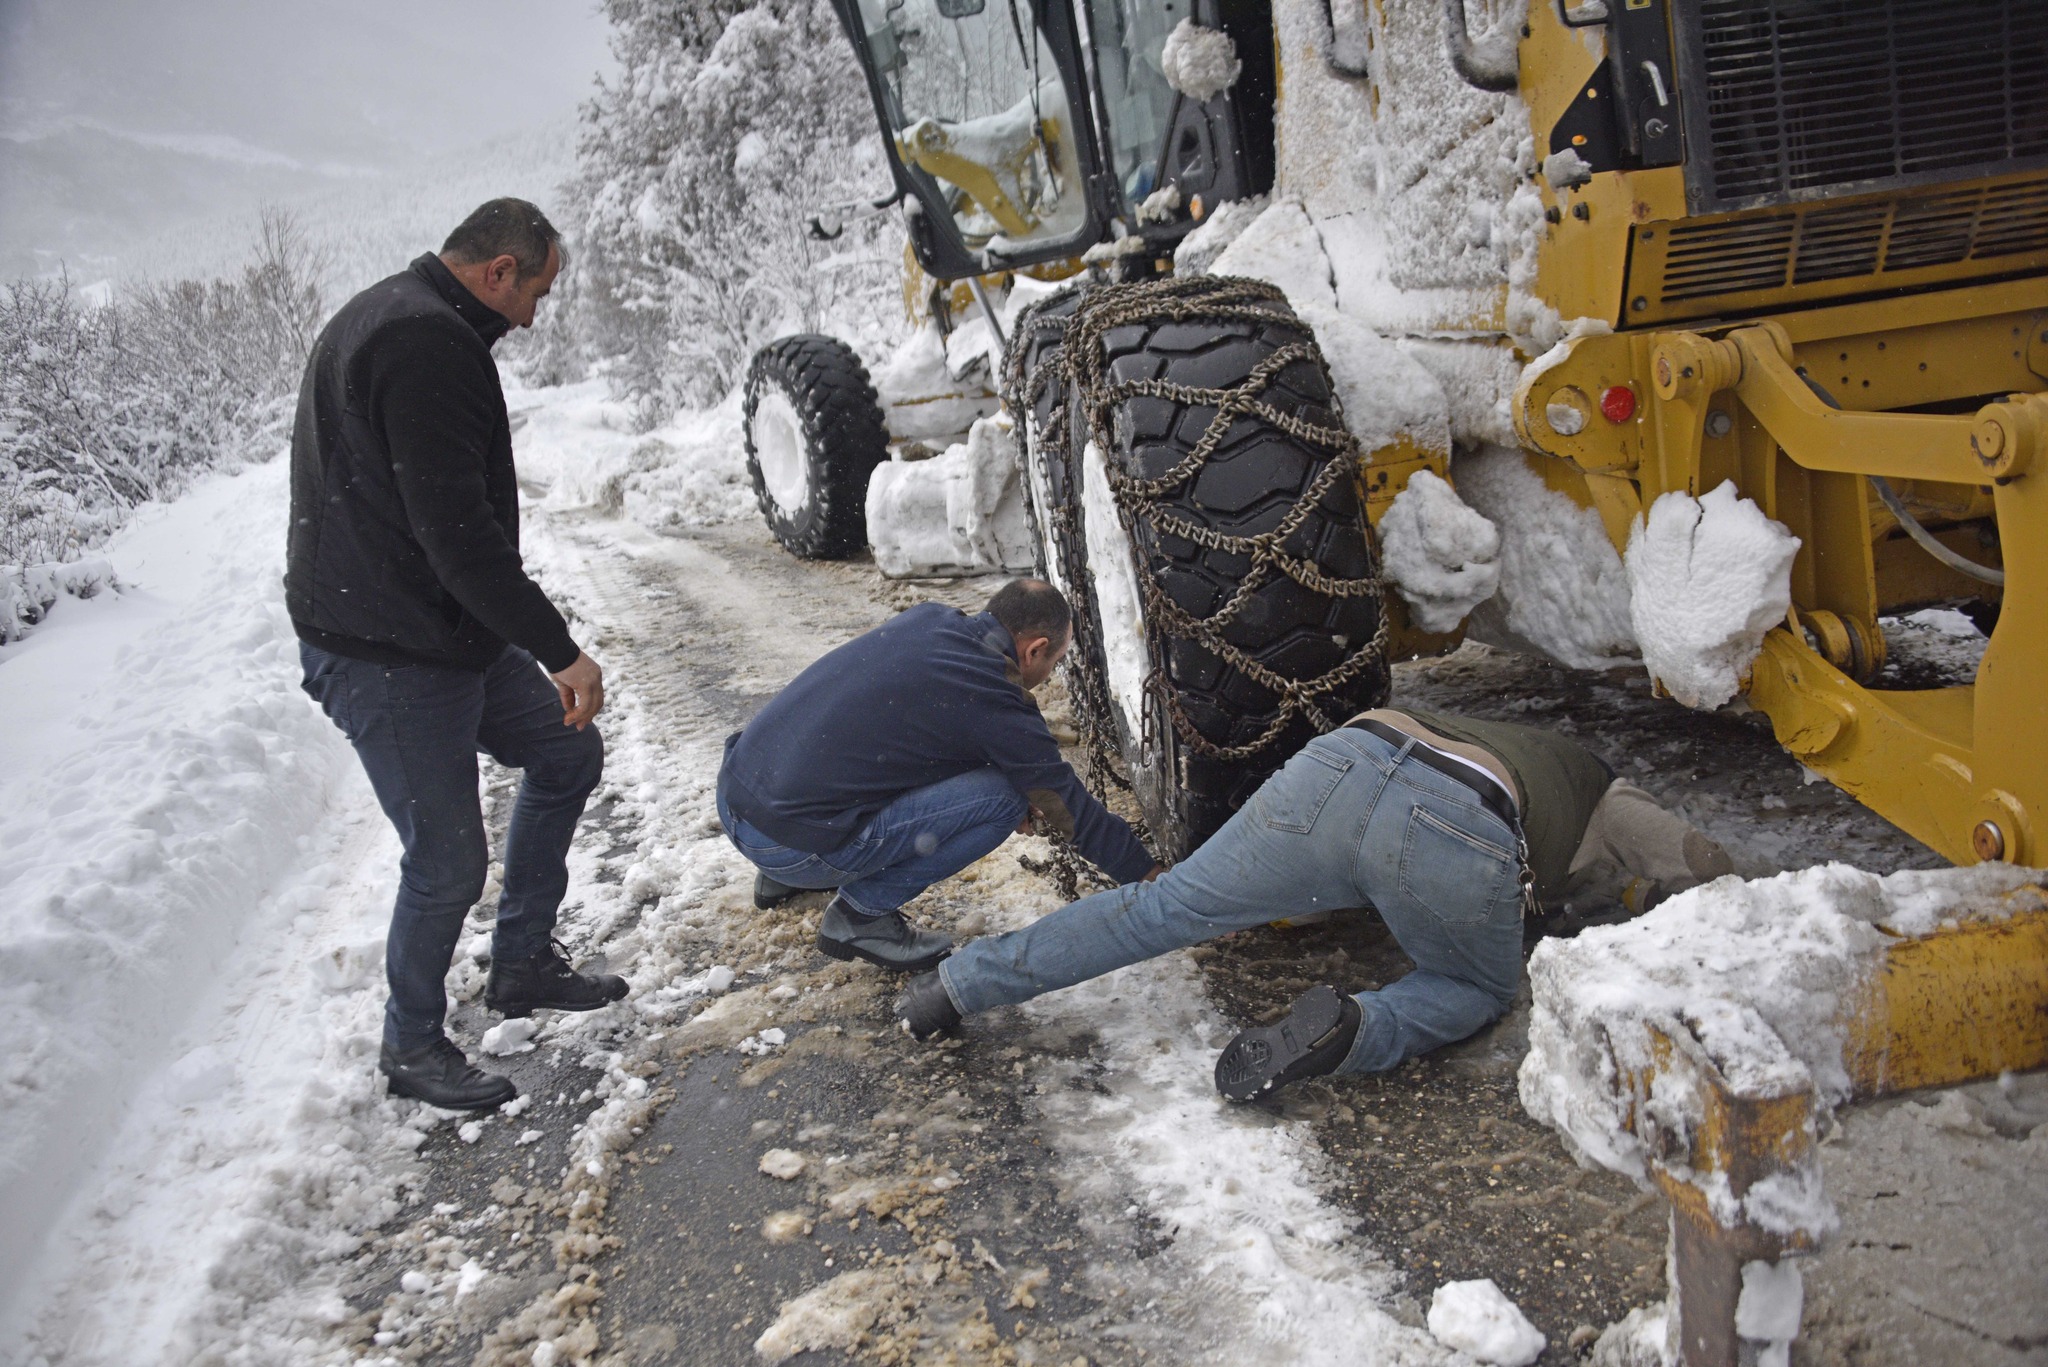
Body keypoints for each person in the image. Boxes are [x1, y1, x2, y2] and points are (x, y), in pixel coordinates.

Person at [897, 707, 1733, 1099]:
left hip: (1346, 760)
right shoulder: (1606, 790)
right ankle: (1351, 1032)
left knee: (1169, 907)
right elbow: (1708, 866)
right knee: (1477, 987)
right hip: (1457, 828)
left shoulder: (1523, 736)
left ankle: (958, 984)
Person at [288, 198, 626, 1112]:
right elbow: (459, 538)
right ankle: (410, 1046)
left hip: (436, 629)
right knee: (445, 859)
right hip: (386, 650)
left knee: (566, 749)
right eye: (539, 290)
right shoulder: (422, 343)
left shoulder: (407, 317)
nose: (537, 311)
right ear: (498, 272)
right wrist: (560, 649)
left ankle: (518, 964)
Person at [718, 580, 1160, 972]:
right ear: (1034, 650)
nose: (1049, 675)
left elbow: (932, 734)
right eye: (1056, 661)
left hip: (739, 795)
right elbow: (1067, 807)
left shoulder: (931, 621)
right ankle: (860, 916)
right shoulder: (996, 696)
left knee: (871, 749)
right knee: (1005, 799)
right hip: (786, 845)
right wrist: (1151, 879)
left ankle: (785, 877)